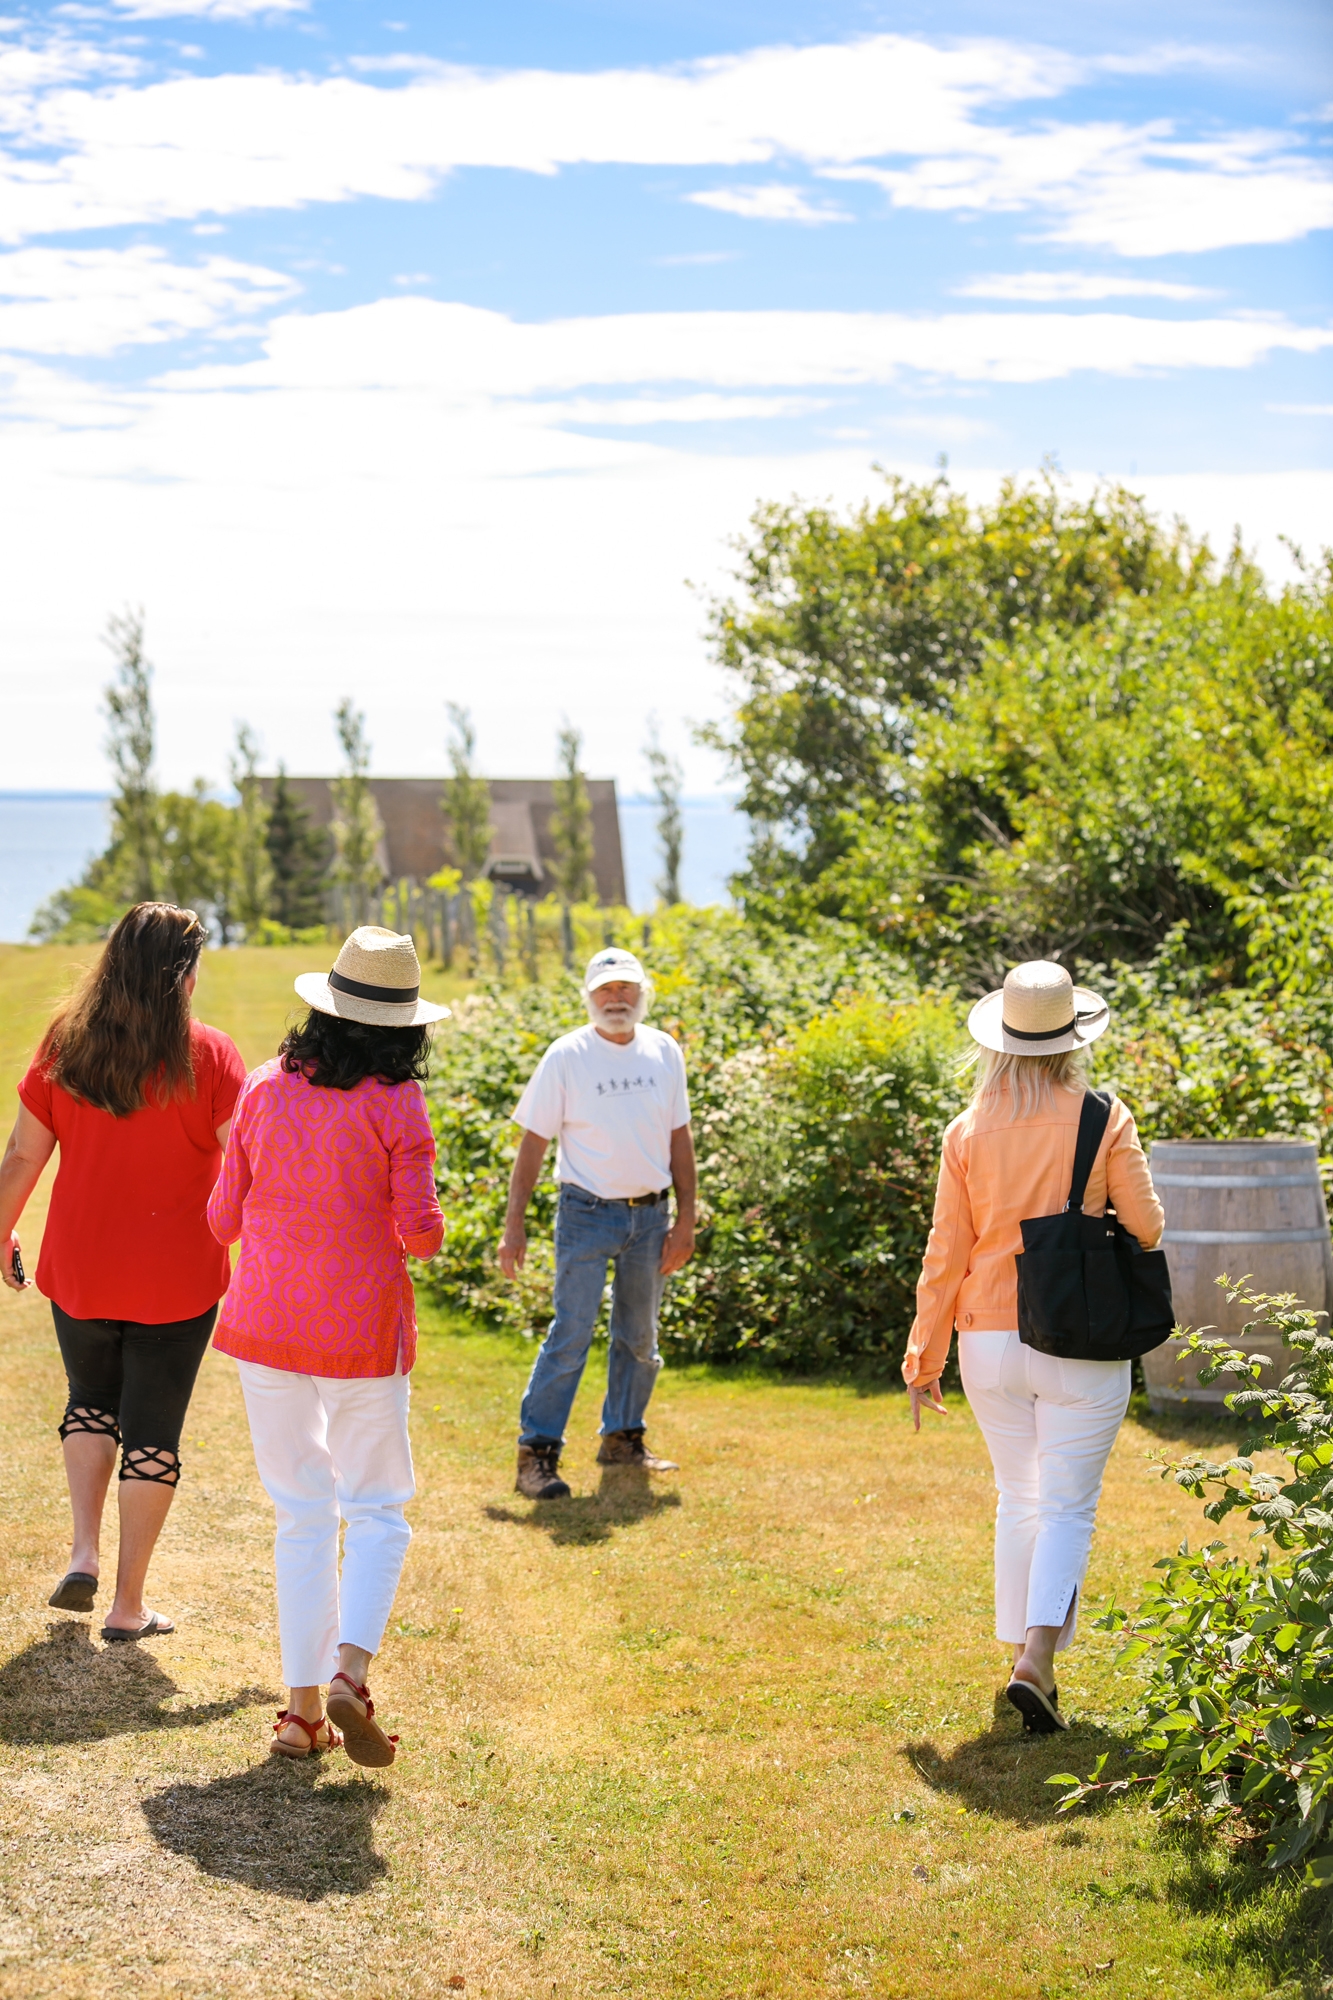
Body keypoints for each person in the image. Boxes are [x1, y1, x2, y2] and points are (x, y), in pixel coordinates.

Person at [904, 960, 1164, 1734]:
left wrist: (923, 1357)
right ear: (1073, 1040)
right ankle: (1037, 1659)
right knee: (1067, 1507)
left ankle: (1020, 1648)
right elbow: (1146, 1227)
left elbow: (943, 1251)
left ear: (1000, 1043)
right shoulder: (1102, 1116)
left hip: (985, 1340)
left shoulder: (966, 1130)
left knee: (1018, 1496)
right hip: (1077, 1334)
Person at [207, 926, 446, 1766]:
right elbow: (419, 1237)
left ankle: (301, 1715)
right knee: (376, 1509)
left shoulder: (266, 1090)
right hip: (359, 1333)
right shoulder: (397, 1103)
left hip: (266, 1325)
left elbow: (221, 1218)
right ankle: (350, 1669)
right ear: (404, 1027)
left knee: (299, 1513)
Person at [0, 902, 245, 1641]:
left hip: (79, 1267)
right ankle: (127, 1605)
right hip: (177, 1276)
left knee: (89, 1401)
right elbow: (246, 1167)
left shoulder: (64, 1045)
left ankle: (83, 1552)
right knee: (153, 1435)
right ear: (186, 975)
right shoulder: (212, 1056)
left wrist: (1, 1230)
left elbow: (19, 1159)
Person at [499, 947, 696, 1501]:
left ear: (642, 995)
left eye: (626, 988)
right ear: (588, 997)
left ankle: (622, 1440)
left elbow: (680, 1137)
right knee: (571, 1335)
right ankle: (536, 1454)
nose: (617, 999)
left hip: (651, 1217)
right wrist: (514, 1226)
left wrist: (687, 1219)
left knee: (639, 1337)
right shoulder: (566, 1056)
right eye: (606, 990)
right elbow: (533, 1144)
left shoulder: (663, 1051)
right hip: (585, 1213)